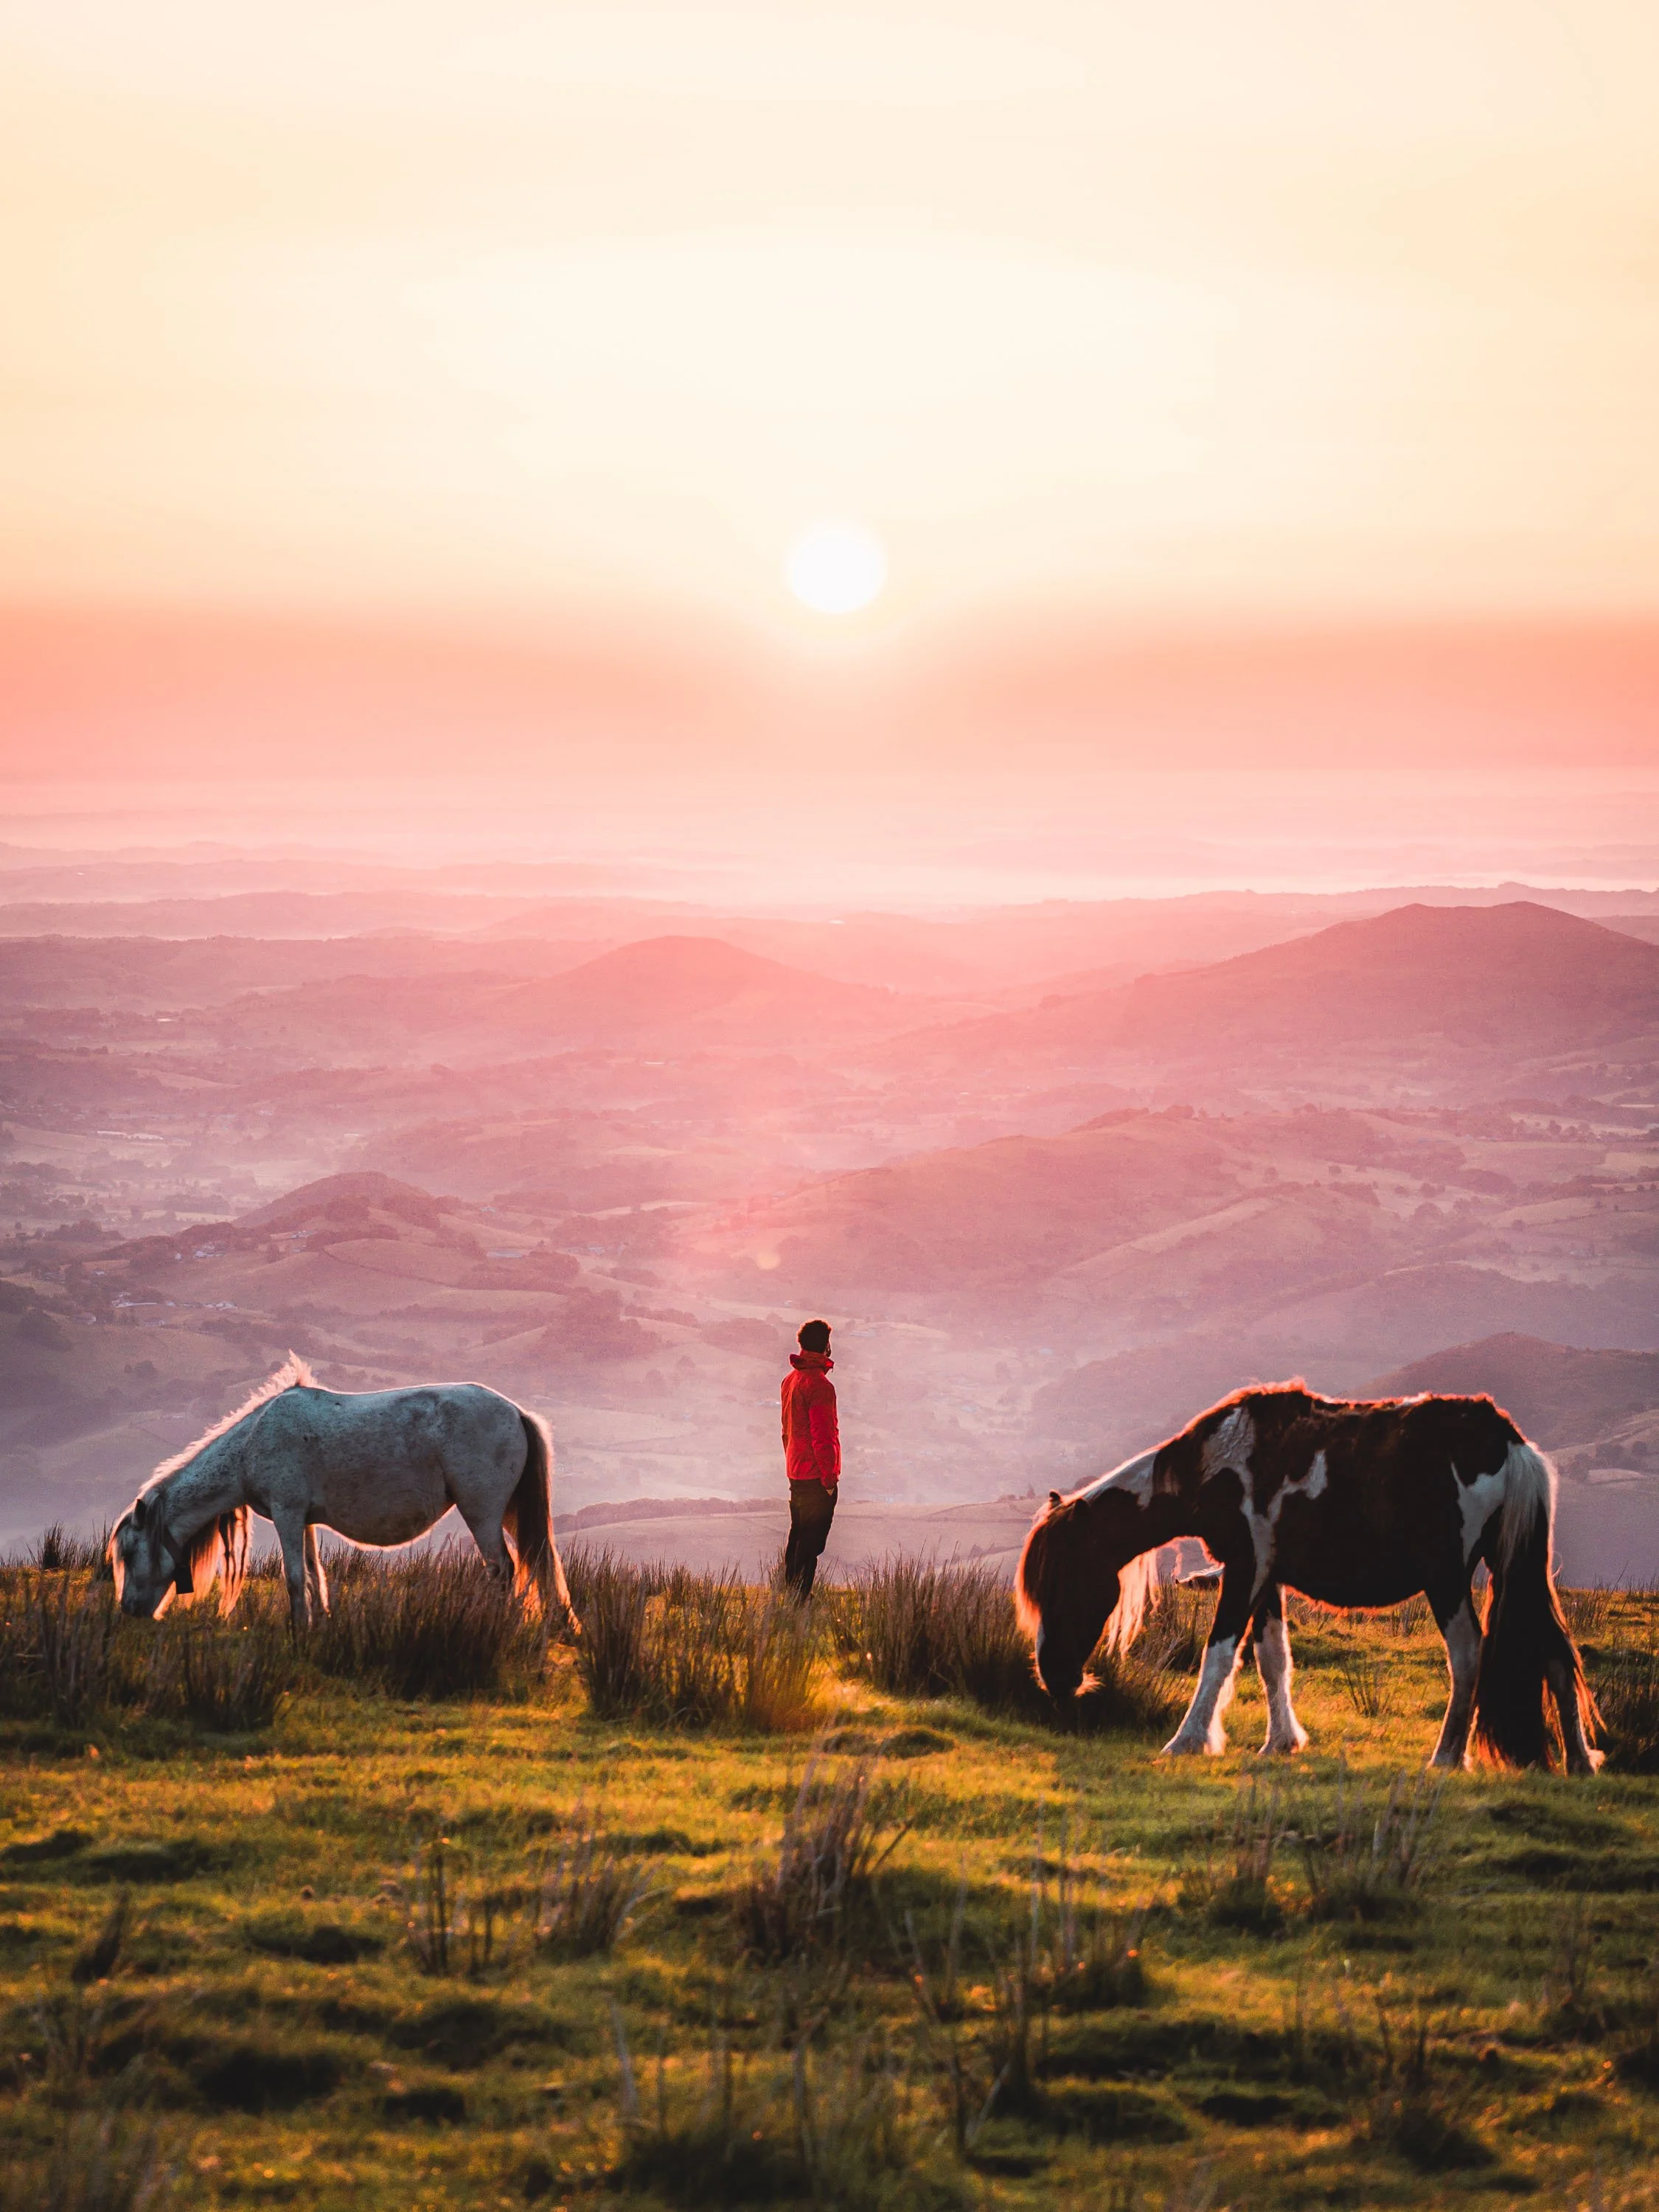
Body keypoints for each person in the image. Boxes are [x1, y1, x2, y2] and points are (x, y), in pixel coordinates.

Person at [781, 1318, 839, 1599]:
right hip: (816, 1474)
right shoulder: (820, 1386)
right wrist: (829, 1480)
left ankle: (790, 1590)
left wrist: (791, 1460)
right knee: (812, 1540)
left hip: (795, 1468)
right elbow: (824, 1437)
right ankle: (800, 1597)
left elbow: (786, 1429)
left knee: (798, 1532)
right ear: (826, 1346)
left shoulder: (790, 1380)